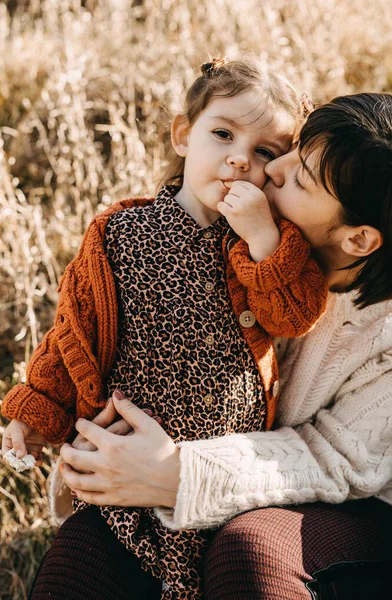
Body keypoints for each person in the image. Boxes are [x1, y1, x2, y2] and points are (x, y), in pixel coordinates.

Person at [31, 92, 392, 600]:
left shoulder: (385, 335)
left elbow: (337, 459)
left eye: (301, 177)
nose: (274, 168)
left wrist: (176, 474)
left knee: (249, 551)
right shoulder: (240, 238)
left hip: (361, 508)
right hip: (228, 461)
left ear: (357, 240)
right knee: (81, 556)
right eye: (289, 149)